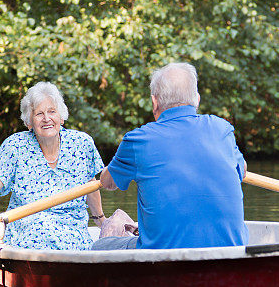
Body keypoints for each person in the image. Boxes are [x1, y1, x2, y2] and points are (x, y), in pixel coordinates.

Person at [93, 62, 248, 250]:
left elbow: (108, 183)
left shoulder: (138, 140)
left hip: (161, 257)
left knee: (100, 245)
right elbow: (243, 170)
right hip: (230, 253)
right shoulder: (222, 129)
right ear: (196, 99)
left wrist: (111, 170)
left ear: (154, 101)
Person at [0, 82, 106, 250]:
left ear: (61, 117)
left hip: (72, 231)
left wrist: (101, 221)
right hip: (28, 230)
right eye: (39, 114)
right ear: (29, 123)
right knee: (44, 229)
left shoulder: (81, 143)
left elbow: (91, 186)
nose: (47, 118)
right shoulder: (15, 146)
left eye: (52, 111)